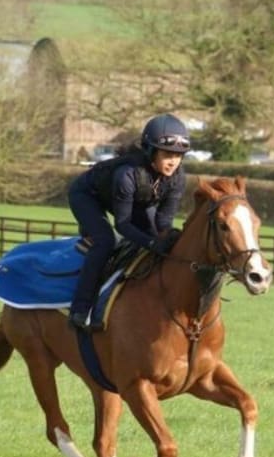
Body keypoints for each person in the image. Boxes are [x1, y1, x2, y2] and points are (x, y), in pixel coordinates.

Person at [66, 113, 191, 331]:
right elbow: (122, 225)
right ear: (151, 151)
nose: (173, 161)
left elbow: (163, 221)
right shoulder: (127, 174)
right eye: (167, 154)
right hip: (87, 196)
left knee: (155, 239)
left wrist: (167, 239)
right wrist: (151, 243)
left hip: (133, 199)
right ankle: (80, 309)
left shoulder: (178, 178)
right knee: (105, 241)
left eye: (179, 155)